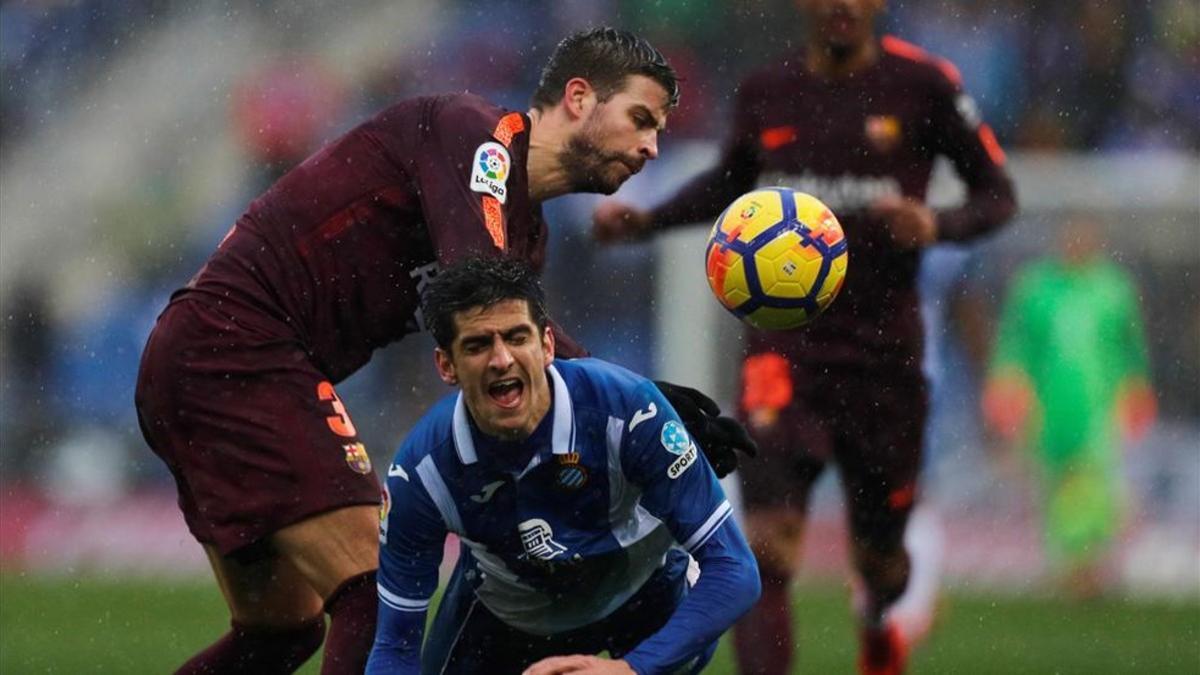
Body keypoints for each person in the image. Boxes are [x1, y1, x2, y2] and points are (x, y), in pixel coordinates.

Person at [136, 27, 748, 674]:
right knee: (371, 585)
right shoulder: (474, 136)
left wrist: (628, 403)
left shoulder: (525, 235)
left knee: (279, 631)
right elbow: (479, 292)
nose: (652, 147)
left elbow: (510, 327)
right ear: (578, 96)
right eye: (640, 119)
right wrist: (639, 400)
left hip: (204, 359)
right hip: (236, 349)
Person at [592, 1, 1017, 673]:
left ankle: (879, 612)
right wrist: (648, 221)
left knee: (883, 559)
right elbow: (730, 183)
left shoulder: (925, 85)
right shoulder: (768, 91)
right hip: (784, 350)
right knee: (767, 543)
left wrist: (937, 224)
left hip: (885, 356)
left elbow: (998, 194)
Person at [366, 257, 761, 674]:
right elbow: (394, 647)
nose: (501, 360)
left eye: (517, 337)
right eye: (478, 345)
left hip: (646, 597)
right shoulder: (421, 474)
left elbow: (735, 569)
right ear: (446, 365)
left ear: (548, 345)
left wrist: (628, 671)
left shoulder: (631, 413)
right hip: (507, 620)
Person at [982, 215, 1155, 599]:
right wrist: (1005, 387)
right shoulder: (1036, 288)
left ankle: (1092, 565)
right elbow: (1015, 344)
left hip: (1098, 402)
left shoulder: (1113, 289)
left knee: (1094, 481)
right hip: (1047, 404)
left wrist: (1137, 390)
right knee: (1055, 484)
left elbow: (1131, 348)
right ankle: (1068, 567)